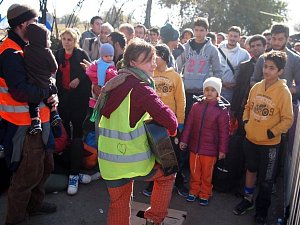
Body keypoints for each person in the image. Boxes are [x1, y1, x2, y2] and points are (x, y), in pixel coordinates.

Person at [94, 39, 177, 225]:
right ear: (132, 62)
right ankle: (154, 219)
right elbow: (170, 121)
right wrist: (168, 132)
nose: (153, 64)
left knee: (119, 204)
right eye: (148, 60)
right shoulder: (141, 88)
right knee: (168, 173)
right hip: (133, 161)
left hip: (109, 162)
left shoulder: (114, 82)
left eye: (154, 59)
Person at [0, 4, 58, 224]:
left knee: (46, 167)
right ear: (23, 24)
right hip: (23, 125)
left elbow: (46, 76)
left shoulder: (29, 46)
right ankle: (15, 219)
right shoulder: (10, 53)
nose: (38, 26)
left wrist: (54, 93)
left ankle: (34, 205)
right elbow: (21, 91)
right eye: (34, 22)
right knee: (26, 176)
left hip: (40, 121)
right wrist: (48, 92)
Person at [233, 50, 294, 225]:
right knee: (250, 170)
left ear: (280, 71)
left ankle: (261, 211)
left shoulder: (283, 92)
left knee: (266, 180)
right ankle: (248, 199)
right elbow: (247, 107)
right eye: (266, 66)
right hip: (250, 140)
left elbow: (287, 119)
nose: (267, 71)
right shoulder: (256, 87)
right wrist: (246, 122)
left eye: (272, 68)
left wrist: (271, 132)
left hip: (270, 145)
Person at [142, 43, 187, 198]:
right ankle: (154, 182)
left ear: (165, 57)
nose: (154, 59)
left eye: (156, 55)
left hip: (170, 122)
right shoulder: (149, 74)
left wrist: (179, 121)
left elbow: (181, 100)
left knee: (172, 154)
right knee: (155, 153)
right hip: (152, 121)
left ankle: (179, 182)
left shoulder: (175, 76)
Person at [179, 77, 230, 206]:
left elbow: (224, 133)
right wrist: (184, 140)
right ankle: (193, 191)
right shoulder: (196, 106)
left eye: (213, 90)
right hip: (195, 147)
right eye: (206, 89)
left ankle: (205, 193)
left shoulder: (222, 110)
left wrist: (222, 150)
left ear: (218, 92)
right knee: (194, 171)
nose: (209, 92)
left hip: (210, 150)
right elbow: (189, 125)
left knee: (207, 174)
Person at [55, 28, 92, 195]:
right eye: (64, 38)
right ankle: (66, 162)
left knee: (77, 126)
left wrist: (79, 78)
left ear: (75, 40)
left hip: (78, 97)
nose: (66, 42)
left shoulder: (81, 53)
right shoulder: (58, 54)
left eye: (69, 39)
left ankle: (75, 166)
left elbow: (90, 70)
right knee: (62, 126)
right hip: (63, 96)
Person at [177, 17, 223, 118]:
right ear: (193, 30)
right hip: (186, 90)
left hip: (203, 92)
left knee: (200, 120)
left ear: (207, 31)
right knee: (185, 118)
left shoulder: (212, 50)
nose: (198, 33)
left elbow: (217, 72)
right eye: (196, 30)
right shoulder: (185, 47)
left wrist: (215, 92)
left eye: (202, 30)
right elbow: (178, 68)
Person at [24, 23, 61, 135]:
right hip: (46, 84)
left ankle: (35, 121)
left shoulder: (26, 49)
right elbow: (54, 67)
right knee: (51, 96)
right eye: (48, 38)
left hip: (33, 85)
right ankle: (54, 114)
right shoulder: (46, 51)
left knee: (33, 104)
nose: (49, 41)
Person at [251, 24, 300, 101]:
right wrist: (263, 90)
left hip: (284, 102)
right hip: (262, 101)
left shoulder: (295, 59)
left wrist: (284, 91)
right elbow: (254, 80)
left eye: (280, 39)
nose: (276, 42)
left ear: (287, 39)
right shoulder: (262, 58)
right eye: (274, 39)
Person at [231, 34, 267, 135]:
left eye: (258, 45)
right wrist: (234, 109)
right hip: (244, 106)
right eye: (253, 46)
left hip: (263, 107)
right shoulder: (244, 66)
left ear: (265, 47)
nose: (255, 48)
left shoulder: (271, 66)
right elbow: (238, 88)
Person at [218, 26, 250, 102]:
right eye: (231, 36)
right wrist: (221, 82)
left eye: (235, 36)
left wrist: (237, 84)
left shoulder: (244, 54)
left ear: (239, 38)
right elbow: (212, 67)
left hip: (232, 91)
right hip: (216, 88)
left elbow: (247, 72)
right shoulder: (218, 50)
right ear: (227, 36)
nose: (232, 38)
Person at [86, 43, 118, 108]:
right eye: (106, 56)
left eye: (111, 56)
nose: (109, 58)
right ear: (102, 56)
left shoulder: (107, 63)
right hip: (101, 87)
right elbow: (101, 75)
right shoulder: (102, 65)